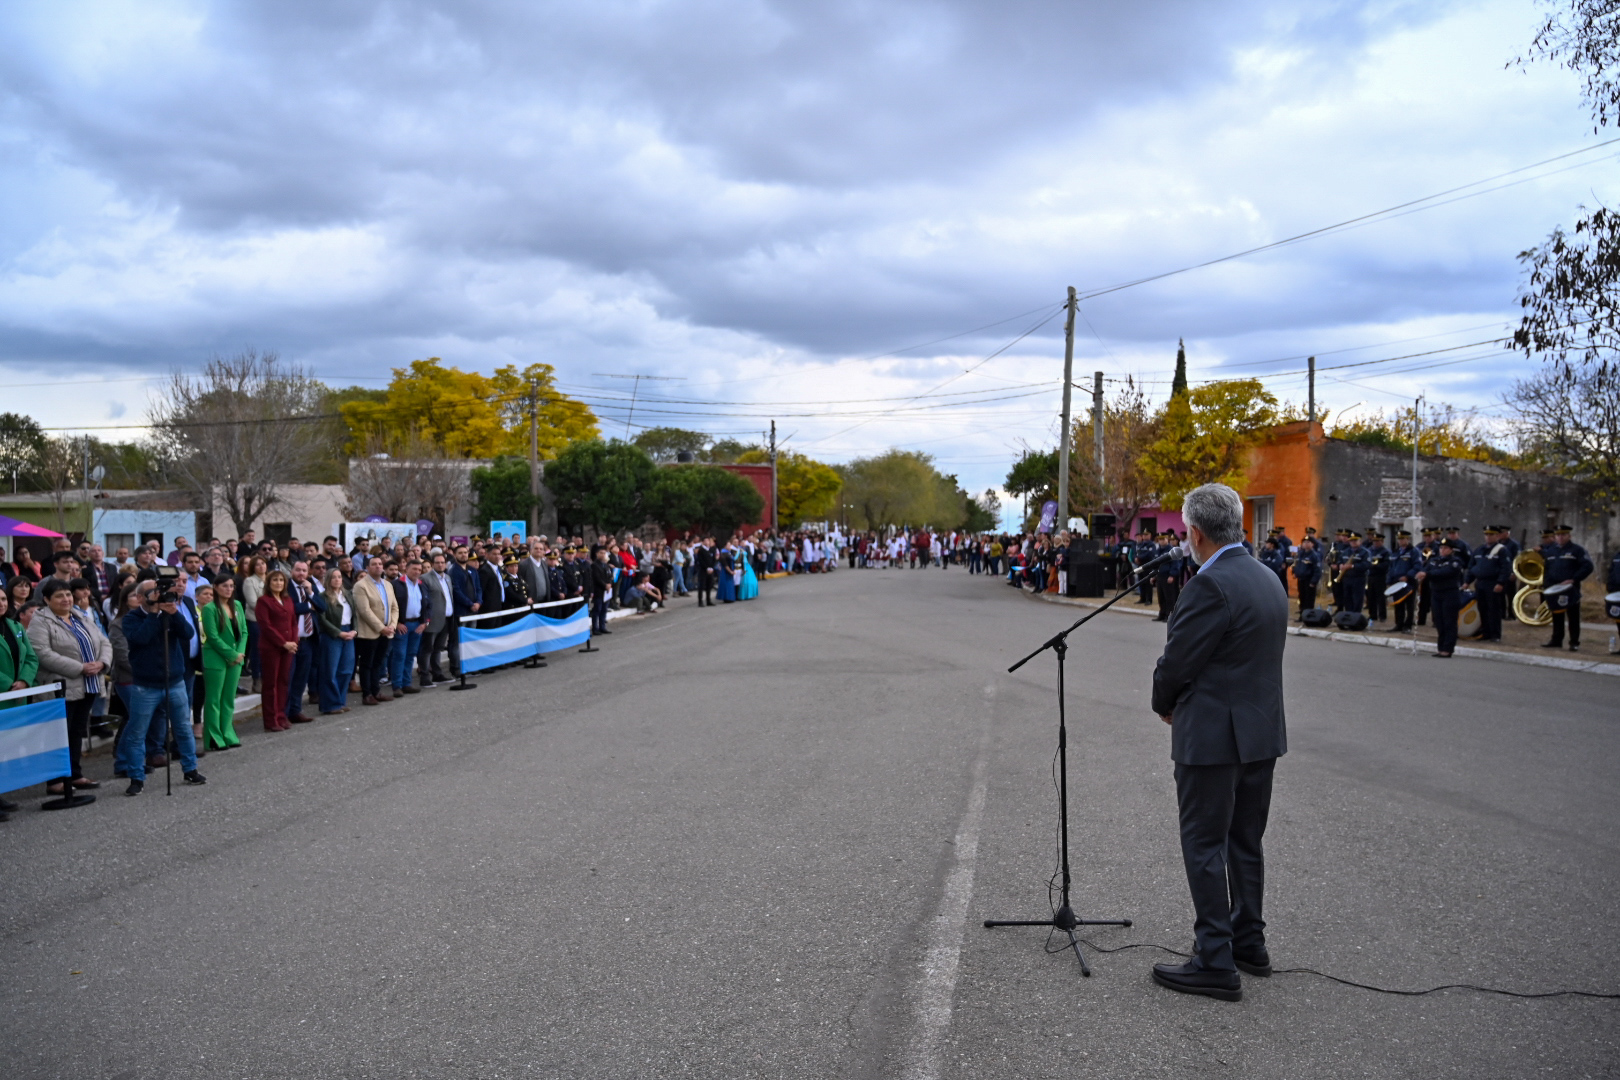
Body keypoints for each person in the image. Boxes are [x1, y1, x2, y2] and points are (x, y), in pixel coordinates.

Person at [1148, 483, 1288, 1002]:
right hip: (1260, 733)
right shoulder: (1267, 577)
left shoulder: (1208, 584)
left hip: (1212, 736)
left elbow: (1177, 663)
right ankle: (1249, 941)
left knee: (1205, 844)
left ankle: (1214, 959)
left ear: (1196, 533)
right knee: (1245, 842)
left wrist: (1163, 703)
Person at [115, 579, 206, 796]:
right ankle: (136, 777)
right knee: (137, 732)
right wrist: (155, 614)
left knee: (183, 728)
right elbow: (141, 638)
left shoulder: (170, 614)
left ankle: (190, 769)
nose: (158, 595)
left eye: (159, 592)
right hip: (145, 686)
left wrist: (173, 614)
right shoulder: (131, 619)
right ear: (140, 598)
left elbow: (188, 633)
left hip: (174, 681)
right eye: (152, 592)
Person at [31, 580, 114, 800]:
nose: (66, 599)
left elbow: (104, 642)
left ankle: (74, 774)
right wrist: (80, 668)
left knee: (77, 731)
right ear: (47, 599)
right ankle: (56, 780)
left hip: (89, 684)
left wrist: (102, 663)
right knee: (59, 734)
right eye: (59, 596)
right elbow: (42, 653)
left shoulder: (80, 616)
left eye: (68, 594)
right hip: (61, 686)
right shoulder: (40, 621)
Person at [200, 576, 247, 750]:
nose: (229, 589)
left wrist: (239, 653)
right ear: (216, 587)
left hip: (236, 658)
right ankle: (213, 737)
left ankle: (228, 733)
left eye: (231, 586)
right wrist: (231, 654)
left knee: (228, 698)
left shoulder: (238, 605)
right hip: (216, 657)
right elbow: (212, 636)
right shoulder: (209, 608)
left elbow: (244, 632)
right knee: (214, 699)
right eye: (224, 586)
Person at [255, 569, 298, 732]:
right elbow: (265, 626)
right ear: (269, 583)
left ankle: (281, 716)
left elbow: (293, 622)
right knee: (271, 683)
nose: (278, 583)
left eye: (281, 580)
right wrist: (283, 643)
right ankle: (271, 720)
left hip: (288, 647)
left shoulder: (288, 600)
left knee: (283, 681)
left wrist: (293, 642)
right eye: (275, 580)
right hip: (271, 648)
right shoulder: (263, 601)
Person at [352, 557, 399, 704]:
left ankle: (376, 691)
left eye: (380, 564)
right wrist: (381, 628)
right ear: (367, 568)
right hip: (369, 632)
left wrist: (392, 625)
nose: (378, 566)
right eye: (374, 564)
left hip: (387, 631)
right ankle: (367, 694)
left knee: (378, 663)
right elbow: (364, 611)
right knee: (367, 664)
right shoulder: (361, 586)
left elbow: (394, 607)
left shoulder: (387, 585)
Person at [1540, 524, 1594, 651]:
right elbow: (1547, 569)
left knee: (1573, 616)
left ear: (1569, 536)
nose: (1560, 537)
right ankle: (1556, 640)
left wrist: (1574, 579)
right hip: (1554, 588)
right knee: (1556, 615)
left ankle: (1574, 642)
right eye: (1558, 535)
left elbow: (1588, 566)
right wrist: (1546, 585)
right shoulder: (1551, 551)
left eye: (1563, 535)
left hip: (1570, 588)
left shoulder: (1577, 550)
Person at [313, 568, 357, 714]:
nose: (337, 580)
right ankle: (330, 705)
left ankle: (340, 701)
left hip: (348, 632)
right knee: (330, 671)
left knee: (346, 670)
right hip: (332, 635)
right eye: (333, 577)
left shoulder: (347, 594)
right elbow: (322, 619)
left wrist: (354, 630)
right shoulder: (322, 596)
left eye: (339, 577)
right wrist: (338, 633)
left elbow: (355, 615)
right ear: (328, 580)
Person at [1417, 538, 1465, 658]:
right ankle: (1441, 647)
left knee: (1449, 621)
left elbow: (1444, 573)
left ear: (1451, 550)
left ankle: (1448, 649)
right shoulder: (1434, 560)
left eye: (1446, 548)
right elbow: (1426, 570)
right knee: (1439, 621)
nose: (1442, 550)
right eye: (1441, 548)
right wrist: (1423, 574)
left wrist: (1428, 574)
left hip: (1450, 593)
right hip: (1436, 593)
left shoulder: (1455, 562)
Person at [284, 561, 318, 723]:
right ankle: (284, 713)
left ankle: (295, 711)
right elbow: (290, 609)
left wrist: (310, 593)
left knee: (301, 678)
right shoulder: (285, 587)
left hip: (308, 640)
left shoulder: (309, 587)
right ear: (292, 571)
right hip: (291, 640)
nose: (301, 573)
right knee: (288, 678)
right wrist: (310, 605)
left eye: (304, 570)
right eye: (298, 570)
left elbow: (322, 606)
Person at [389, 558, 427, 696]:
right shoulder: (396, 584)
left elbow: (428, 604)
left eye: (419, 570)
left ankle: (407, 683)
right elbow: (390, 605)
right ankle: (397, 685)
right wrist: (396, 623)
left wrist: (424, 622)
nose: (417, 572)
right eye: (414, 569)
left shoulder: (422, 585)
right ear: (406, 569)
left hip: (417, 624)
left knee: (410, 655)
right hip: (402, 625)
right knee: (399, 655)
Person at [1465, 526, 1508, 644]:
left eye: (1491, 535)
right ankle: (1485, 632)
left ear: (1497, 536)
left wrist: (1500, 582)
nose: (1488, 537)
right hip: (1480, 583)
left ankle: (1495, 634)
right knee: (1482, 609)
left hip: (1493, 583)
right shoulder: (1479, 550)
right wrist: (1467, 581)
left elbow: (1505, 568)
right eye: (1486, 534)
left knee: (1493, 610)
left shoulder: (1501, 550)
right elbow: (1472, 567)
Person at [418, 552, 453, 687]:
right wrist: (426, 619)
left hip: (446, 618)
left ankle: (437, 674)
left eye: (442, 562)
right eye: (437, 562)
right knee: (427, 649)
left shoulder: (447, 578)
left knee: (438, 648)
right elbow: (424, 601)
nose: (440, 565)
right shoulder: (425, 578)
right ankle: (425, 676)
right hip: (432, 620)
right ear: (432, 564)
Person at [1386, 531, 1420, 633]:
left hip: (1409, 582)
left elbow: (1417, 566)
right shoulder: (1396, 552)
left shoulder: (1414, 551)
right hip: (1396, 581)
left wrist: (1408, 576)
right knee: (1398, 604)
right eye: (1399, 539)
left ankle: (1408, 625)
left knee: (1409, 605)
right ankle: (1399, 624)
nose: (1400, 541)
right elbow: (1391, 567)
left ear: (1407, 539)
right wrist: (1389, 580)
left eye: (1402, 539)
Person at [1291, 537, 1321, 617]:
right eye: (1304, 542)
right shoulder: (1301, 554)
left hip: (1309, 580)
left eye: (1308, 542)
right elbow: (1296, 564)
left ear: (1312, 544)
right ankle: (1302, 614)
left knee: (1309, 599)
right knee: (1302, 597)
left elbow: (1317, 569)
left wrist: (1313, 581)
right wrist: (1295, 572)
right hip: (1301, 579)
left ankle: (1308, 615)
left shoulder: (1314, 555)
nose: (1306, 544)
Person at [589, 548, 614, 634]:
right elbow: (596, 578)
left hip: (607, 591)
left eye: (604, 553)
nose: (603, 555)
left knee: (604, 609)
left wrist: (609, 584)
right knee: (597, 609)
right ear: (597, 554)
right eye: (601, 553)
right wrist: (605, 585)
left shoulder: (606, 565)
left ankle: (602, 626)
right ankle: (595, 628)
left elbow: (610, 576)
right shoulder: (594, 565)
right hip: (599, 590)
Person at [693, 537, 716, 607]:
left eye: (708, 541)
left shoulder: (711, 550)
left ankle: (708, 600)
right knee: (701, 586)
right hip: (703, 570)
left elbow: (713, 559)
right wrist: (706, 568)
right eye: (705, 541)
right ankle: (700, 601)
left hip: (711, 570)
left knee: (709, 585)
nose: (707, 542)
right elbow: (701, 560)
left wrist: (711, 567)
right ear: (703, 542)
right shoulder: (701, 550)